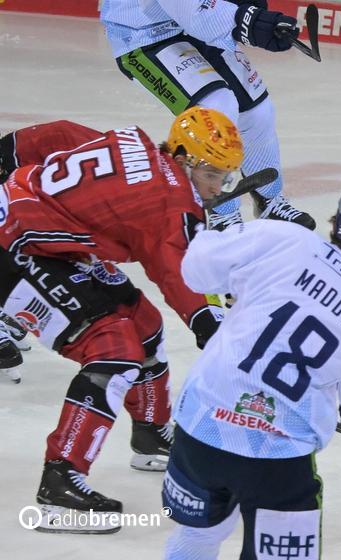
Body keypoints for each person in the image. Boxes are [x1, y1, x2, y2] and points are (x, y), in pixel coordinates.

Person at [0, 108, 238, 533]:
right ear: (183, 159)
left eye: (225, 175)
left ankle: (150, 433)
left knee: (142, 322)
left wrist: (7, 151)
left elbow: (61, 134)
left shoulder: (136, 142)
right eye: (212, 173)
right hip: (13, 247)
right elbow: (175, 269)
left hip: (42, 237)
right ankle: (59, 483)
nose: (219, 186)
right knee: (113, 350)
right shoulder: (171, 201)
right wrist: (209, 323)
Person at [162, 179, 341, 559]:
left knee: (197, 536)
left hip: (201, 426)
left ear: (335, 221)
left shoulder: (285, 238)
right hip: (276, 456)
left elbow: (196, 269)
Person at [101, 0, 314, 230]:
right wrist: (247, 22)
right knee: (217, 108)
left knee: (258, 112)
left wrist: (249, 7)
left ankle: (269, 200)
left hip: (196, 23)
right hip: (144, 34)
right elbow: (192, 11)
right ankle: (221, 213)